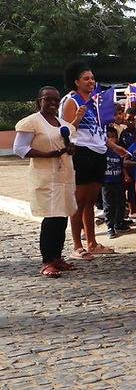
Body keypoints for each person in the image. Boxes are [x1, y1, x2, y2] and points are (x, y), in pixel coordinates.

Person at [60, 60, 123, 259]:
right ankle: (77, 246)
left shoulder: (96, 102)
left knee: (90, 202)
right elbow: (66, 131)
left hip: (99, 153)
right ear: (76, 82)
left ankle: (92, 243)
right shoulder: (72, 101)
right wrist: (77, 119)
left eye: (92, 78)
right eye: (86, 78)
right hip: (82, 153)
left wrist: (114, 147)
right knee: (78, 201)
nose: (91, 82)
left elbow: (99, 131)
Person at [15, 86, 77, 277]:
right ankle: (47, 261)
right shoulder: (32, 122)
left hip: (64, 177)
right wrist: (47, 154)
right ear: (39, 101)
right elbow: (19, 148)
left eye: (56, 100)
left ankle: (57, 257)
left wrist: (69, 148)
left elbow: (66, 144)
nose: (52, 103)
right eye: (48, 99)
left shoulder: (62, 124)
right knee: (51, 219)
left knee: (62, 218)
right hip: (46, 178)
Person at [102, 126, 128, 239]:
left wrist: (126, 175)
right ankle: (110, 226)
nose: (111, 140)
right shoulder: (103, 153)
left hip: (118, 181)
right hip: (106, 183)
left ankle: (119, 223)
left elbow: (122, 166)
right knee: (108, 205)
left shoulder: (119, 152)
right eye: (108, 137)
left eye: (113, 137)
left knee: (120, 202)